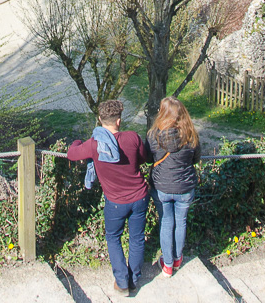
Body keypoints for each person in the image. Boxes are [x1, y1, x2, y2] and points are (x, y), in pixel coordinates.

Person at [68, 100, 151, 296]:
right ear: (119, 121)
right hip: (139, 196)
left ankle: (122, 282)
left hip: (116, 202)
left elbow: (72, 154)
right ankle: (134, 279)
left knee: (114, 237)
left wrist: (77, 142)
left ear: (100, 119)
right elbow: (143, 158)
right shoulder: (132, 138)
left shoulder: (95, 144)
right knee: (137, 238)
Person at [147, 97, 201, 279]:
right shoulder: (191, 134)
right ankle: (177, 259)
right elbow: (196, 158)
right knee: (181, 222)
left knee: (166, 223)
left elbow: (149, 158)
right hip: (185, 187)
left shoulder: (154, 135)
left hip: (162, 186)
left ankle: (167, 265)